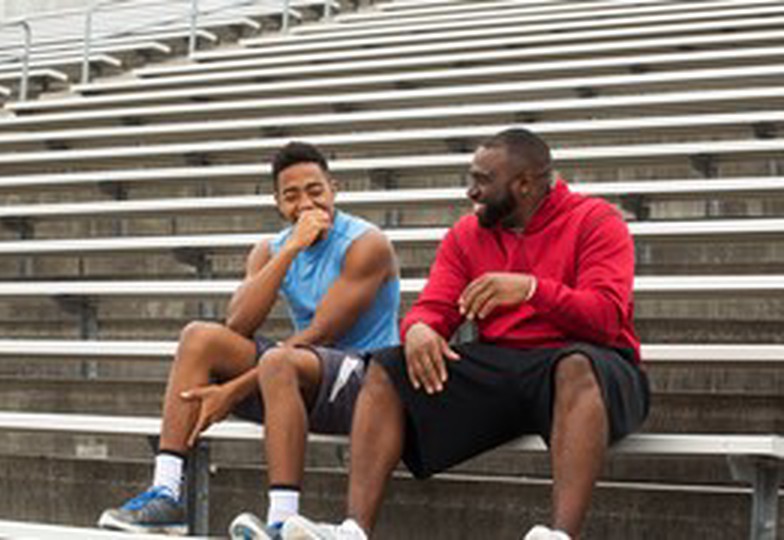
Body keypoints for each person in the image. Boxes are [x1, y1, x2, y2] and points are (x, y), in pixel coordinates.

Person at [282, 128, 650, 540]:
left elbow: (606, 317)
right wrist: (419, 329)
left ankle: (561, 535)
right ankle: (352, 531)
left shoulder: (596, 220)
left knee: (575, 366)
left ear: (524, 184)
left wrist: (530, 289)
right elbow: (433, 308)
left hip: (596, 363)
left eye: (482, 180)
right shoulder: (466, 234)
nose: (470, 192)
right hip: (504, 363)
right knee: (387, 365)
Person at [96, 141, 400, 537]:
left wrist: (235, 390)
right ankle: (166, 494)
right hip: (303, 377)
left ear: (334, 190)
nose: (305, 204)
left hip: (367, 386)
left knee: (278, 360)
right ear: (276, 203)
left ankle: (279, 520)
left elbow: (323, 334)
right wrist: (290, 248)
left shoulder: (366, 244)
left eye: (315, 191)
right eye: (291, 196)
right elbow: (238, 324)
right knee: (199, 338)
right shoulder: (270, 249)